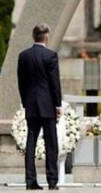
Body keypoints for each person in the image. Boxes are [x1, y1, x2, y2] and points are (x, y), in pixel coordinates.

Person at [18, 23, 62, 190]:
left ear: (33, 36)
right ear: (47, 37)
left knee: (31, 142)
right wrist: (58, 104)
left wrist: (24, 101)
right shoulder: (50, 56)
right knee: (51, 144)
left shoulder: (24, 56)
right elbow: (54, 83)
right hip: (47, 105)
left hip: (31, 104)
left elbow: (21, 82)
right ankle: (52, 180)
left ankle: (30, 180)